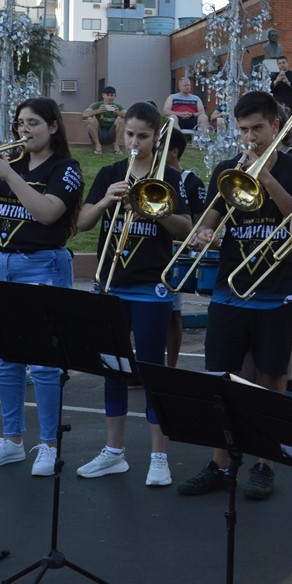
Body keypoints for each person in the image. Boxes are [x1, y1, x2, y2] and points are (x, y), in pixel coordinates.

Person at [176, 90, 292, 501]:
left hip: (275, 293)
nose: (250, 137)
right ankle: (221, 464)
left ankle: (264, 462)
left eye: (257, 128)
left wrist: (266, 174)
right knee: (223, 380)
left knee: (271, 383)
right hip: (229, 292)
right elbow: (207, 224)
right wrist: (205, 234)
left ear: (276, 126)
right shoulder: (227, 169)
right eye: (243, 130)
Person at [0, 98, 83, 477]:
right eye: (19, 124)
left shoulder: (67, 169)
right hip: (1, 264)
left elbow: (48, 212)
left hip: (42, 265)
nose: (23, 130)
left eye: (32, 123)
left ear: (52, 127)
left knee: (45, 363)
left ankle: (48, 444)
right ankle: (11, 440)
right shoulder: (8, 163)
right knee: (7, 358)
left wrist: (9, 176)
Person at [77, 103, 191, 485]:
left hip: (150, 286)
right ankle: (114, 452)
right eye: (130, 135)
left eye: (143, 136)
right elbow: (81, 223)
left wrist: (155, 211)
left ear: (156, 136)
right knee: (113, 367)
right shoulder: (111, 173)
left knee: (152, 369)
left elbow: (185, 230)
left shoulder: (168, 178)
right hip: (110, 283)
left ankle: (159, 456)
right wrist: (108, 199)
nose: (135, 143)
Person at [165, 129, 207, 367]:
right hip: (149, 249)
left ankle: (171, 366)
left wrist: (196, 236)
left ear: (174, 152)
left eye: (162, 148)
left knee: (173, 313)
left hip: (174, 253)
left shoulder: (191, 181)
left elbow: (200, 221)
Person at [82, 86, 124, 155]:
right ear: (103, 95)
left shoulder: (118, 106)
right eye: (107, 95)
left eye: (112, 95)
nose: (110, 97)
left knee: (122, 119)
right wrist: (97, 111)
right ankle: (98, 146)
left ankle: (116, 146)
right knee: (90, 119)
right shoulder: (97, 105)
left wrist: (118, 113)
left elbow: (128, 114)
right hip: (98, 134)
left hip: (111, 135)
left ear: (115, 96)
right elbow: (84, 115)